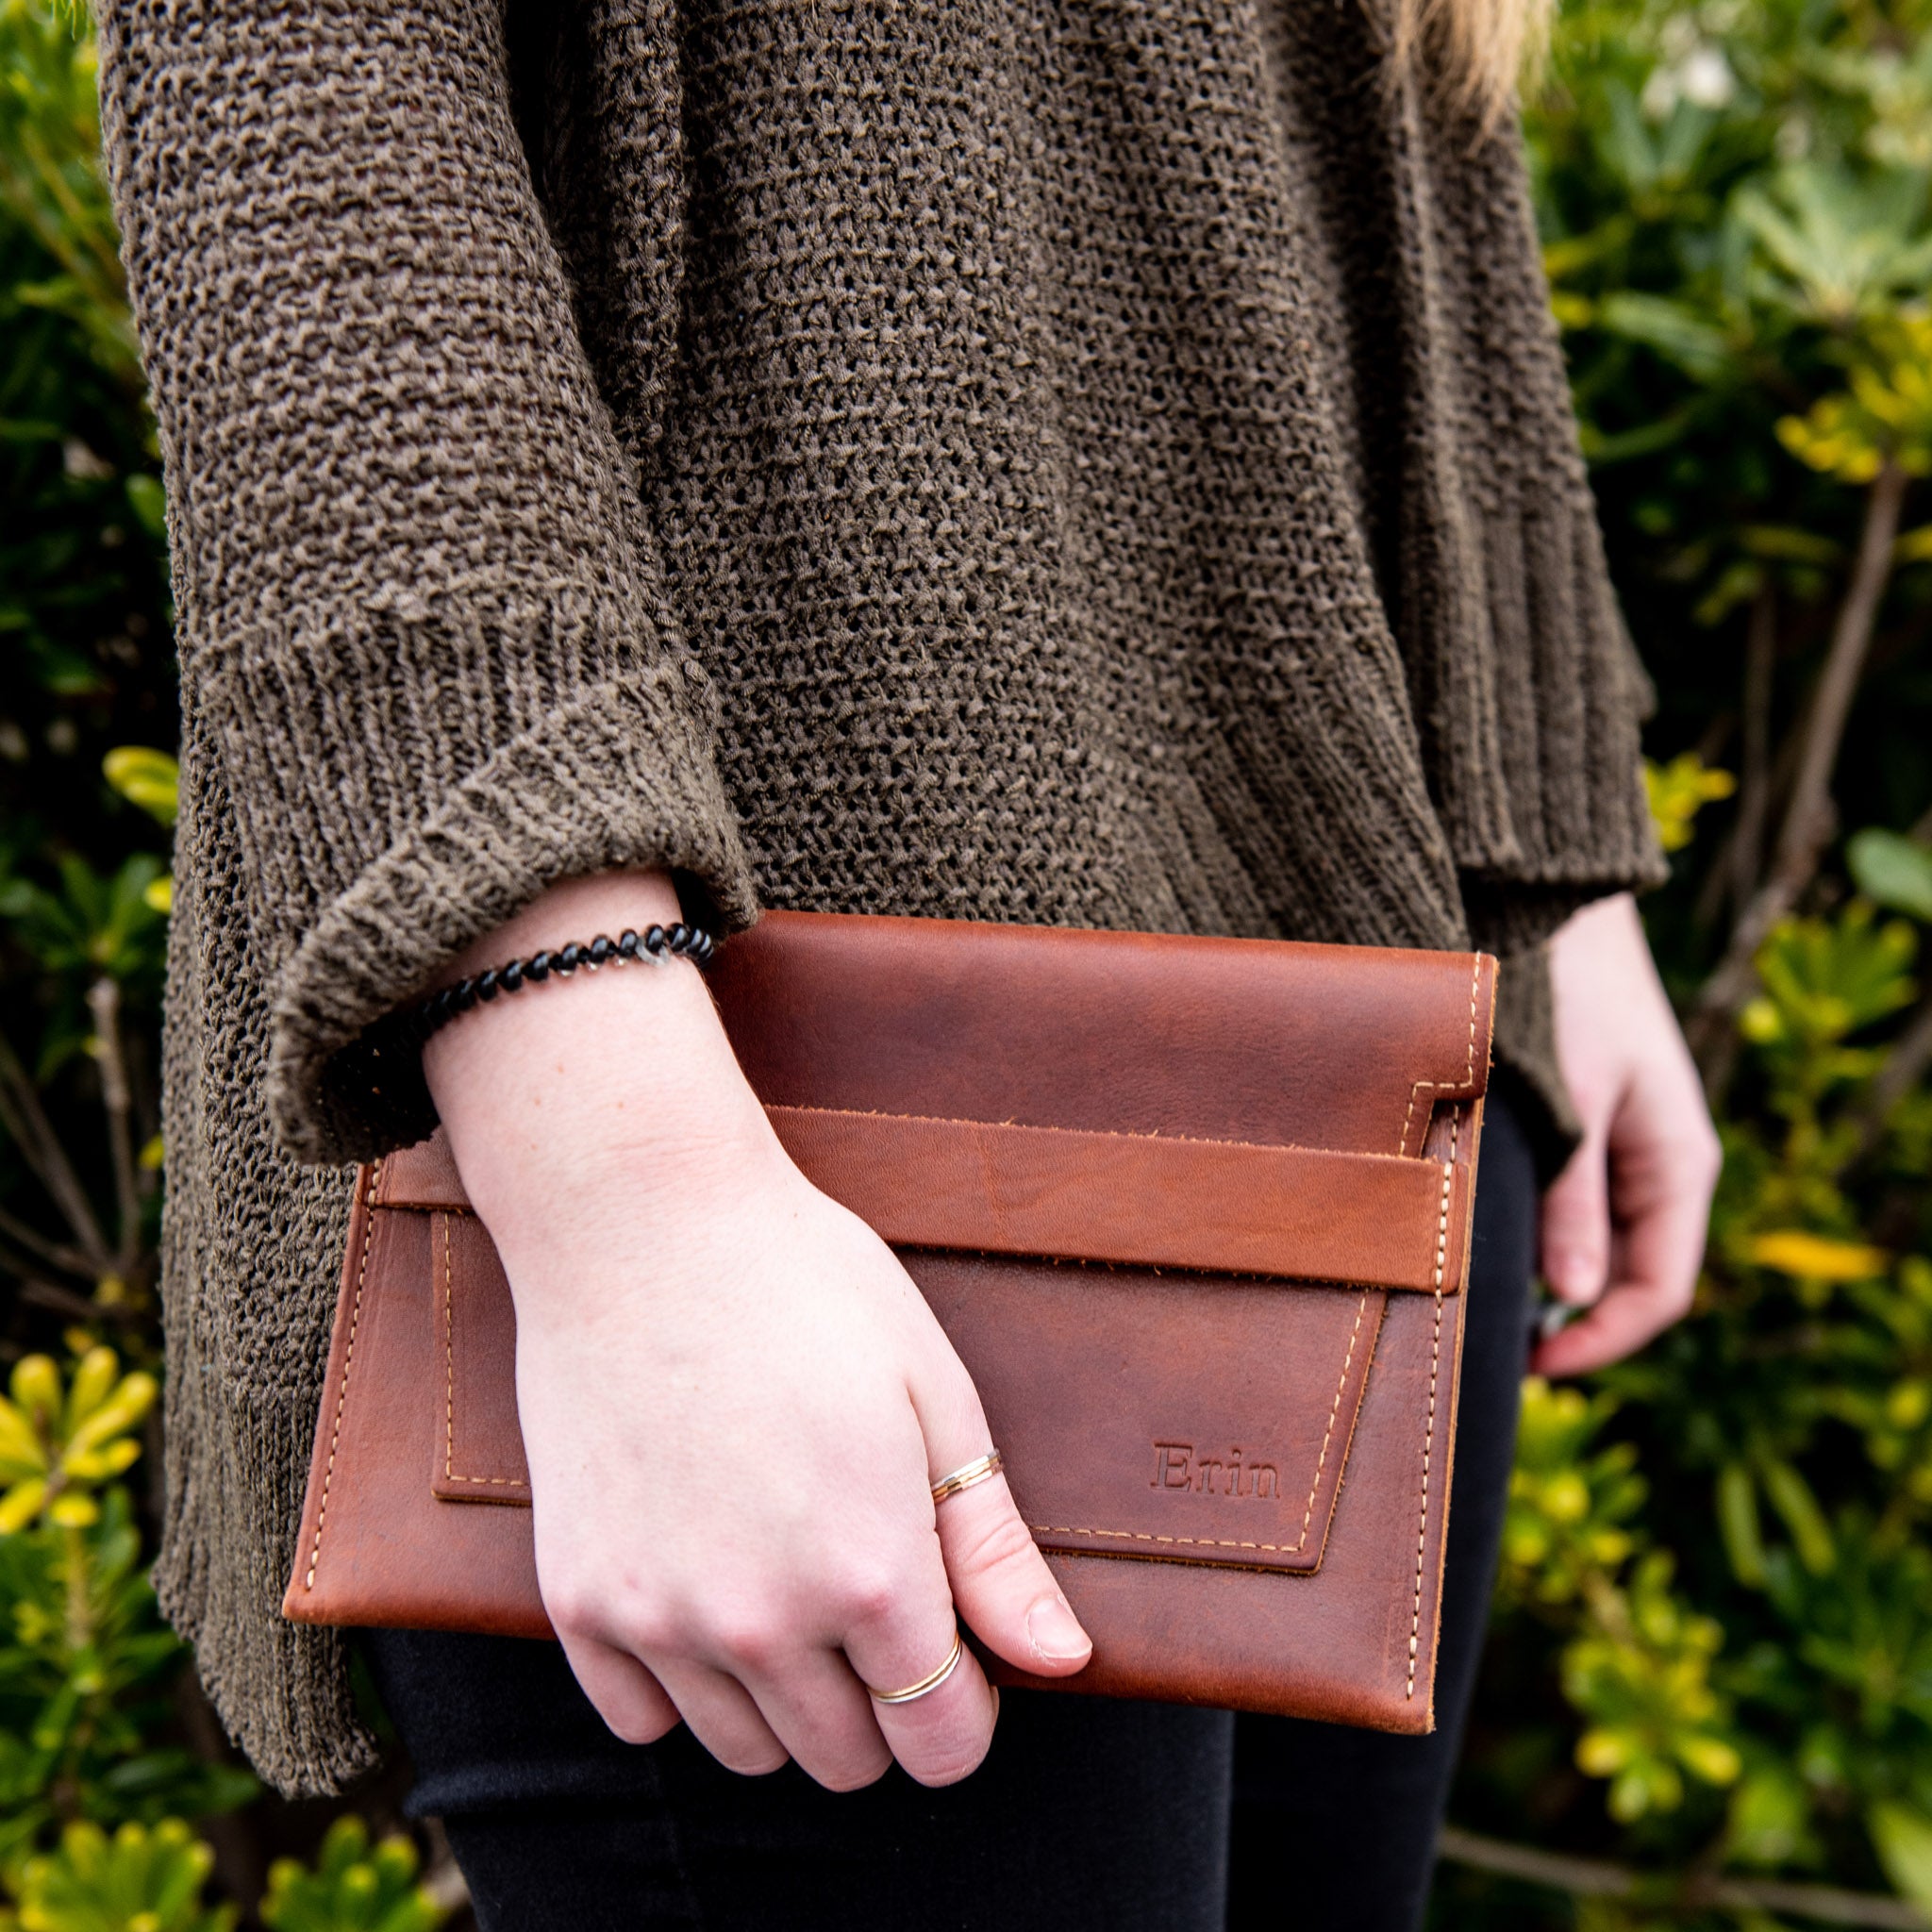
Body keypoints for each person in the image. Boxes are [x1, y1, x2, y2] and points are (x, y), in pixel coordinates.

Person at [95, 0, 1721, 1924]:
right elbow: (305, 97)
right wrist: (625, 1178)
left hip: (1352, 1029)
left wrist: (1548, 853)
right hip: (753, 1107)